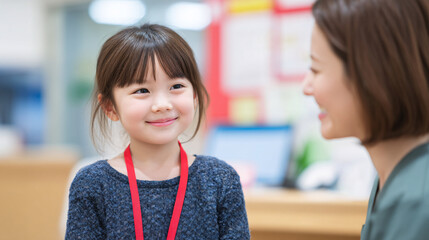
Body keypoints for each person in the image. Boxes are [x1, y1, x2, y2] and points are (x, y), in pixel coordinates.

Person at [66, 24, 250, 240]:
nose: (162, 104)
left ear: (194, 95)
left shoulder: (220, 180)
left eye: (176, 86)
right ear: (110, 107)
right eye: (141, 91)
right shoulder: (92, 184)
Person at [303, 0, 429, 239]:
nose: (306, 87)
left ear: (371, 74)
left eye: (316, 69)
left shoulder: (418, 202)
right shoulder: (393, 178)